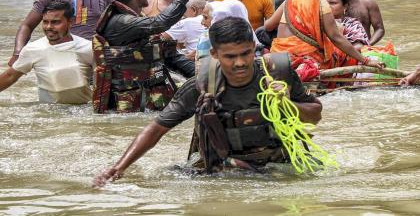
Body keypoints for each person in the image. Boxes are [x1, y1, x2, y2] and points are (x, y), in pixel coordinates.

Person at [93, 17, 322, 186]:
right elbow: (156, 129)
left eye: (246, 53)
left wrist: (285, 104)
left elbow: (315, 114)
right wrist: (118, 168)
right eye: (230, 56)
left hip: (280, 166)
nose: (240, 63)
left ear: (255, 49)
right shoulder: (201, 86)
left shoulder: (278, 75)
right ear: (215, 54)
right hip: (225, 171)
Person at [92, 0, 210, 113]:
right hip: (128, 104)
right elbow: (160, 22)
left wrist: (204, 77)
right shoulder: (121, 22)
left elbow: (168, 55)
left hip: (148, 99)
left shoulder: (137, 19)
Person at [265, 0, 383, 78]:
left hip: (278, 55)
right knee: (345, 55)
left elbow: (268, 26)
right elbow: (336, 38)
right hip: (306, 59)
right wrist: (366, 61)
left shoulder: (288, 1)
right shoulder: (321, 3)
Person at [0, 1, 93, 104]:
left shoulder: (88, 47)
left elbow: (104, 81)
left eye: (55, 22)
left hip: (84, 110)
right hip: (48, 112)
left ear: (70, 22)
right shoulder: (33, 49)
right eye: (45, 22)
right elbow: (10, 76)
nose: (48, 27)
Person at [196, 0, 261, 61]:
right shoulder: (252, 40)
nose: (202, 22)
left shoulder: (207, 37)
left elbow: (201, 64)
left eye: (205, 17)